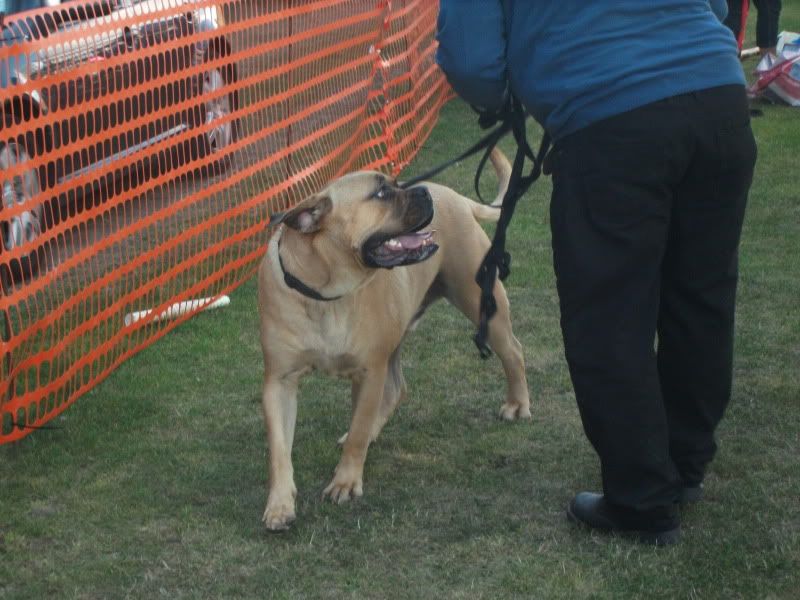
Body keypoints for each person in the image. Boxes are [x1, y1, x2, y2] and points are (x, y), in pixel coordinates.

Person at [436, 0, 757, 546]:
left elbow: (471, 60)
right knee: (700, 297)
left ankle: (642, 498)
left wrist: (501, 97)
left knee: (609, 317)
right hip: (716, 96)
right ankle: (684, 462)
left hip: (613, 120)